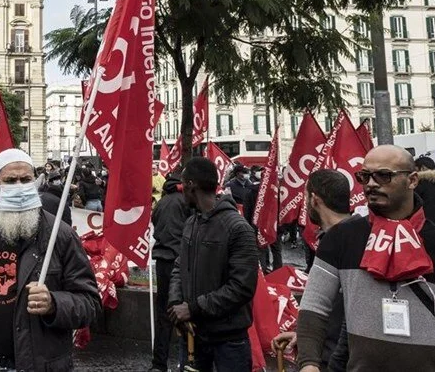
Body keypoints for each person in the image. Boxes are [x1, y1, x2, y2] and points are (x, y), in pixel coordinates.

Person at [296, 145, 435, 372]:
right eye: (365, 176)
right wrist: (309, 363)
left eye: (384, 175)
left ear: (412, 180)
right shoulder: (340, 239)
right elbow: (314, 306)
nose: (372, 184)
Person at [0, 148, 100, 371]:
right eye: (10, 180)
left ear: (35, 181)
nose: (19, 187)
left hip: (35, 365)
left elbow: (90, 303)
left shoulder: (60, 235)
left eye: (25, 180)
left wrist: (53, 303)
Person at [167, 157, 258, 372]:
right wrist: (176, 305)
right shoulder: (191, 223)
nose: (180, 190)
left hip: (229, 343)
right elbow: (179, 267)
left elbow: (242, 287)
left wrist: (193, 308)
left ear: (191, 185)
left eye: (182, 184)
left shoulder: (238, 228)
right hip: (193, 335)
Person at [271, 170, 353, 372]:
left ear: (314, 199)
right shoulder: (336, 237)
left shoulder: (352, 240)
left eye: (305, 197)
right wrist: (306, 336)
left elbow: (350, 309)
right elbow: (328, 304)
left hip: (339, 361)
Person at [151, 169, 189, 372]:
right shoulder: (186, 201)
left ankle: (159, 363)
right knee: (185, 311)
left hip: (162, 261)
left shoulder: (162, 202)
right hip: (180, 261)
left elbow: (155, 222)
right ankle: (188, 361)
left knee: (163, 314)